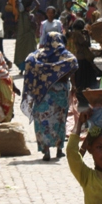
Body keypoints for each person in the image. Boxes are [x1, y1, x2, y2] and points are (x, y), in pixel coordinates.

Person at [22, 32, 78, 161]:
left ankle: (46, 150)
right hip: (60, 93)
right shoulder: (65, 55)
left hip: (42, 95)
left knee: (42, 121)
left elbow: (29, 62)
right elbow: (74, 64)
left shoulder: (37, 56)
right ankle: (59, 150)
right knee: (60, 120)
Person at [67, 19, 97, 100]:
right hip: (82, 57)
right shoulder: (78, 34)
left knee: (79, 77)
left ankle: (80, 93)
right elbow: (86, 44)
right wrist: (87, 36)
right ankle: (83, 93)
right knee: (84, 77)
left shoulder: (72, 34)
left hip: (77, 57)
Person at [13, 0, 38, 71]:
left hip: (30, 37)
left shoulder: (31, 15)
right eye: (28, 7)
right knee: (21, 53)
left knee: (31, 52)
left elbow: (38, 6)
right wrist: (19, 1)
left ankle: (30, 67)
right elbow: (18, 7)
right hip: (22, 36)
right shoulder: (21, 15)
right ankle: (22, 69)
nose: (29, 8)